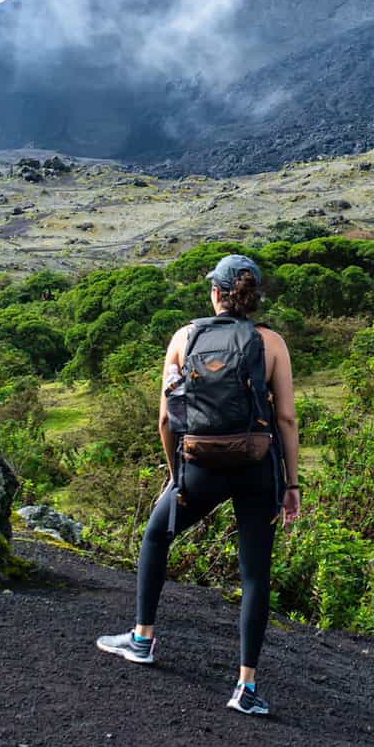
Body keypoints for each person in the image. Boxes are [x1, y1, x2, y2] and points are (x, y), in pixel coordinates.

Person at [98, 254, 302, 714]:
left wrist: (175, 478)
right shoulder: (271, 342)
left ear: (217, 293)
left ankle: (142, 639)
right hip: (255, 465)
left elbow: (167, 418)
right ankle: (246, 688)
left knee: (156, 537)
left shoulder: (184, 337)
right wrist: (291, 485)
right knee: (255, 574)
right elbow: (286, 418)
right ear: (252, 296)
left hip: (199, 464)